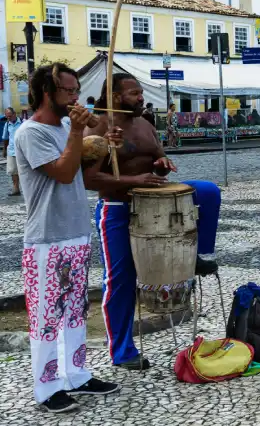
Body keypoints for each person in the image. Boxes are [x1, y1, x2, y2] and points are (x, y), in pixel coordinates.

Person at [82, 74, 222, 370]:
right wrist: (134, 179)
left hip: (155, 200)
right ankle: (122, 350)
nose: (141, 97)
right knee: (120, 280)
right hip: (118, 207)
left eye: (141, 92)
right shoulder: (98, 125)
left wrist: (161, 165)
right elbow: (89, 179)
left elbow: (159, 162)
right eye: (134, 93)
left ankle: (198, 255)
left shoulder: (145, 123)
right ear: (116, 96)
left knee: (208, 192)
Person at [16, 64, 122, 412]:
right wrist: (77, 130)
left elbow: (85, 175)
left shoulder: (65, 125)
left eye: (77, 89)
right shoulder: (30, 133)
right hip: (46, 238)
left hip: (75, 232)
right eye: (69, 90)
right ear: (48, 92)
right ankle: (47, 388)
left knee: (75, 311)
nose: (76, 97)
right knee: (46, 317)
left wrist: (106, 146)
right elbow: (62, 173)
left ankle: (77, 374)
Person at [3, 107, 23, 196]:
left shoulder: (23, 122)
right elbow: (5, 138)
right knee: (13, 171)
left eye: (10, 116)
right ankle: (16, 189)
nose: (9, 118)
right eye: (7, 117)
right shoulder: (7, 124)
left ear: (15, 114)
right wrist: (4, 150)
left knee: (25, 170)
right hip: (11, 150)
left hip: (23, 151)